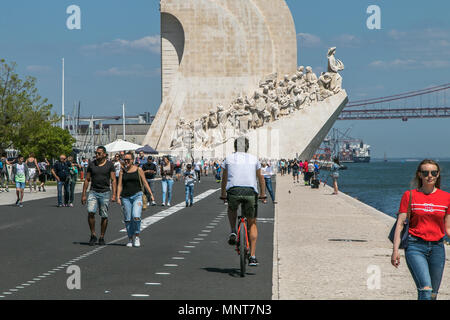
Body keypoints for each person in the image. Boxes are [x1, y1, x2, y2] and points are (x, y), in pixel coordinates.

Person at [391, 159, 450, 300]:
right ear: (419, 175)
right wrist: (395, 251)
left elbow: (448, 228)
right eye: (425, 172)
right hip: (415, 246)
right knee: (425, 288)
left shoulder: (446, 197)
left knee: (433, 294)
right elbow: (400, 224)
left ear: (437, 175)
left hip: (437, 248)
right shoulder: (410, 195)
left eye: (433, 172)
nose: (430, 175)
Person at [220, 136, 267, 267]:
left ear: (235, 147)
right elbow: (261, 178)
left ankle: (233, 230)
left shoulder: (228, 159)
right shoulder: (254, 159)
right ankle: (252, 256)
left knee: (232, 208)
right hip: (250, 192)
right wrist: (263, 195)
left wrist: (223, 194)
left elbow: (224, 179)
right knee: (252, 223)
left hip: (234, 190)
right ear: (247, 147)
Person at [81, 146, 117, 246]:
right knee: (91, 211)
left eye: (99, 153)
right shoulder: (92, 165)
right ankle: (93, 234)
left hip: (105, 192)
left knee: (104, 215)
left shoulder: (110, 165)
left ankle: (102, 236)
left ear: (104, 154)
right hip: (93, 191)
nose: (96, 155)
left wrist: (114, 194)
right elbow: (87, 179)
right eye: (96, 153)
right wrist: (84, 194)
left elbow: (113, 180)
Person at [117, 152, 154, 248]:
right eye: (124, 159)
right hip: (125, 197)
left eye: (128, 160)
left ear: (132, 160)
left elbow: (145, 183)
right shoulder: (122, 171)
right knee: (128, 219)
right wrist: (117, 197)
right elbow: (120, 185)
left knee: (136, 216)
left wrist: (151, 194)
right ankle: (130, 238)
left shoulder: (139, 170)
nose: (126, 161)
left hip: (137, 195)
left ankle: (137, 236)